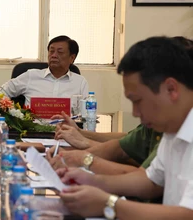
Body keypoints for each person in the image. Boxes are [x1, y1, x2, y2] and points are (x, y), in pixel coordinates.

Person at [58, 36, 193, 219]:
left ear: (171, 89)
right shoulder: (173, 128)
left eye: (138, 101)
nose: (136, 113)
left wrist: (110, 205)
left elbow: (187, 214)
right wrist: (91, 179)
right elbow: (150, 181)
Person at [0, 35, 89, 106]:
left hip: (67, 129)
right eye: (51, 51)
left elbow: (87, 114)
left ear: (72, 58)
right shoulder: (31, 76)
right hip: (33, 128)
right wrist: (10, 111)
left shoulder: (80, 82)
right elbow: (2, 92)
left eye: (60, 52)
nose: (54, 55)